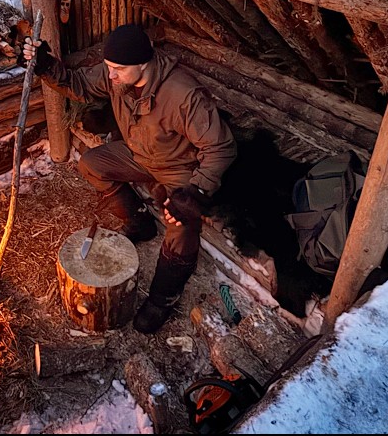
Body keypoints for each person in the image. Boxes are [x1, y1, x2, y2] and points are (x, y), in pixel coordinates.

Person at [22, 23, 236, 334]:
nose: (110, 76)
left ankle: (163, 298)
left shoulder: (183, 95)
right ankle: (139, 222)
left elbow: (220, 146)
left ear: (143, 63)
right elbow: (78, 83)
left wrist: (195, 191)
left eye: (118, 69)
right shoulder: (119, 77)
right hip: (140, 153)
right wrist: (45, 65)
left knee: (181, 224)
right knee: (92, 164)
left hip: (179, 166)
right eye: (108, 68)